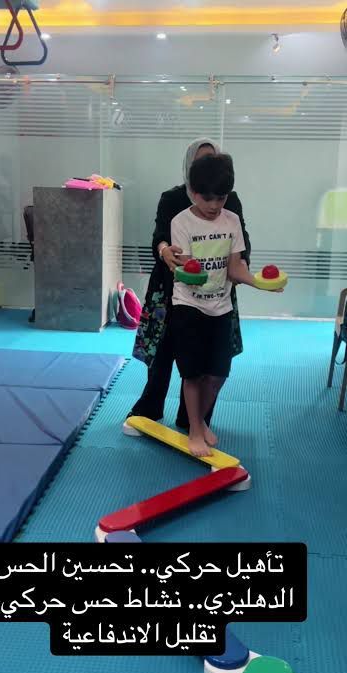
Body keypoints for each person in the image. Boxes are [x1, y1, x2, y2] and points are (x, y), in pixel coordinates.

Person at [128, 137, 251, 430]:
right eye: (200, 162)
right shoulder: (172, 198)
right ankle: (149, 408)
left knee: (209, 361)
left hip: (214, 291)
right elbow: (159, 236)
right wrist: (164, 250)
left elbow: (241, 239)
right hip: (170, 288)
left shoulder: (229, 199)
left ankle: (194, 419)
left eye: (211, 160)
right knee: (162, 352)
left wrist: (243, 269)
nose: (213, 204)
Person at [170, 152, 279, 458]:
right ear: (193, 192)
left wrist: (260, 283)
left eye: (221, 198)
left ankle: (200, 420)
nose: (214, 205)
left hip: (221, 307)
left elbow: (234, 268)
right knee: (192, 374)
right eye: (207, 198)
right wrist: (185, 269)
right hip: (188, 305)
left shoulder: (232, 220)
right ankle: (194, 430)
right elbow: (188, 269)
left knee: (218, 374)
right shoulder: (181, 222)